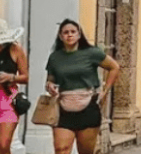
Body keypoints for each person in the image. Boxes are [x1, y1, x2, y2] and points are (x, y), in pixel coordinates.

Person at [45, 19, 119, 154]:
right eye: (66, 32)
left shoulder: (92, 53)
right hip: (63, 107)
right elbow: (50, 79)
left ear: (79, 35)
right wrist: (50, 86)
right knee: (61, 149)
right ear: (60, 36)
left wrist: (105, 91)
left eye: (73, 32)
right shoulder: (55, 57)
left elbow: (114, 67)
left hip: (88, 105)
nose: (69, 35)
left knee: (85, 151)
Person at [0, 19, 28, 154]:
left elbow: (25, 77)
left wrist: (10, 77)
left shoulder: (15, 49)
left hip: (8, 99)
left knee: (2, 145)